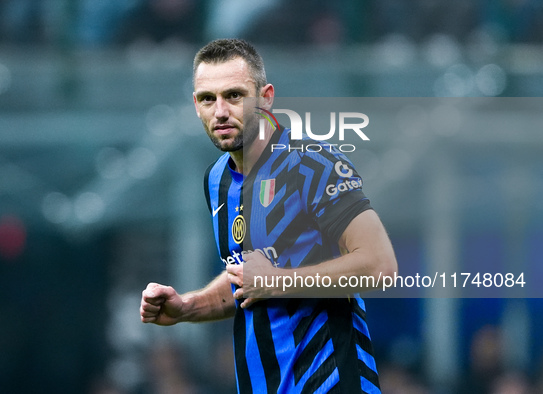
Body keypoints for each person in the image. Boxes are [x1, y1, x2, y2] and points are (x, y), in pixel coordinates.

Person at [140, 38, 398, 393]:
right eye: (207, 98)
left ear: (266, 97)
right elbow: (247, 281)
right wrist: (188, 306)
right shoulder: (216, 179)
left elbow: (379, 266)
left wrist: (278, 281)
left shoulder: (312, 164)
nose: (220, 111)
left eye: (234, 95)